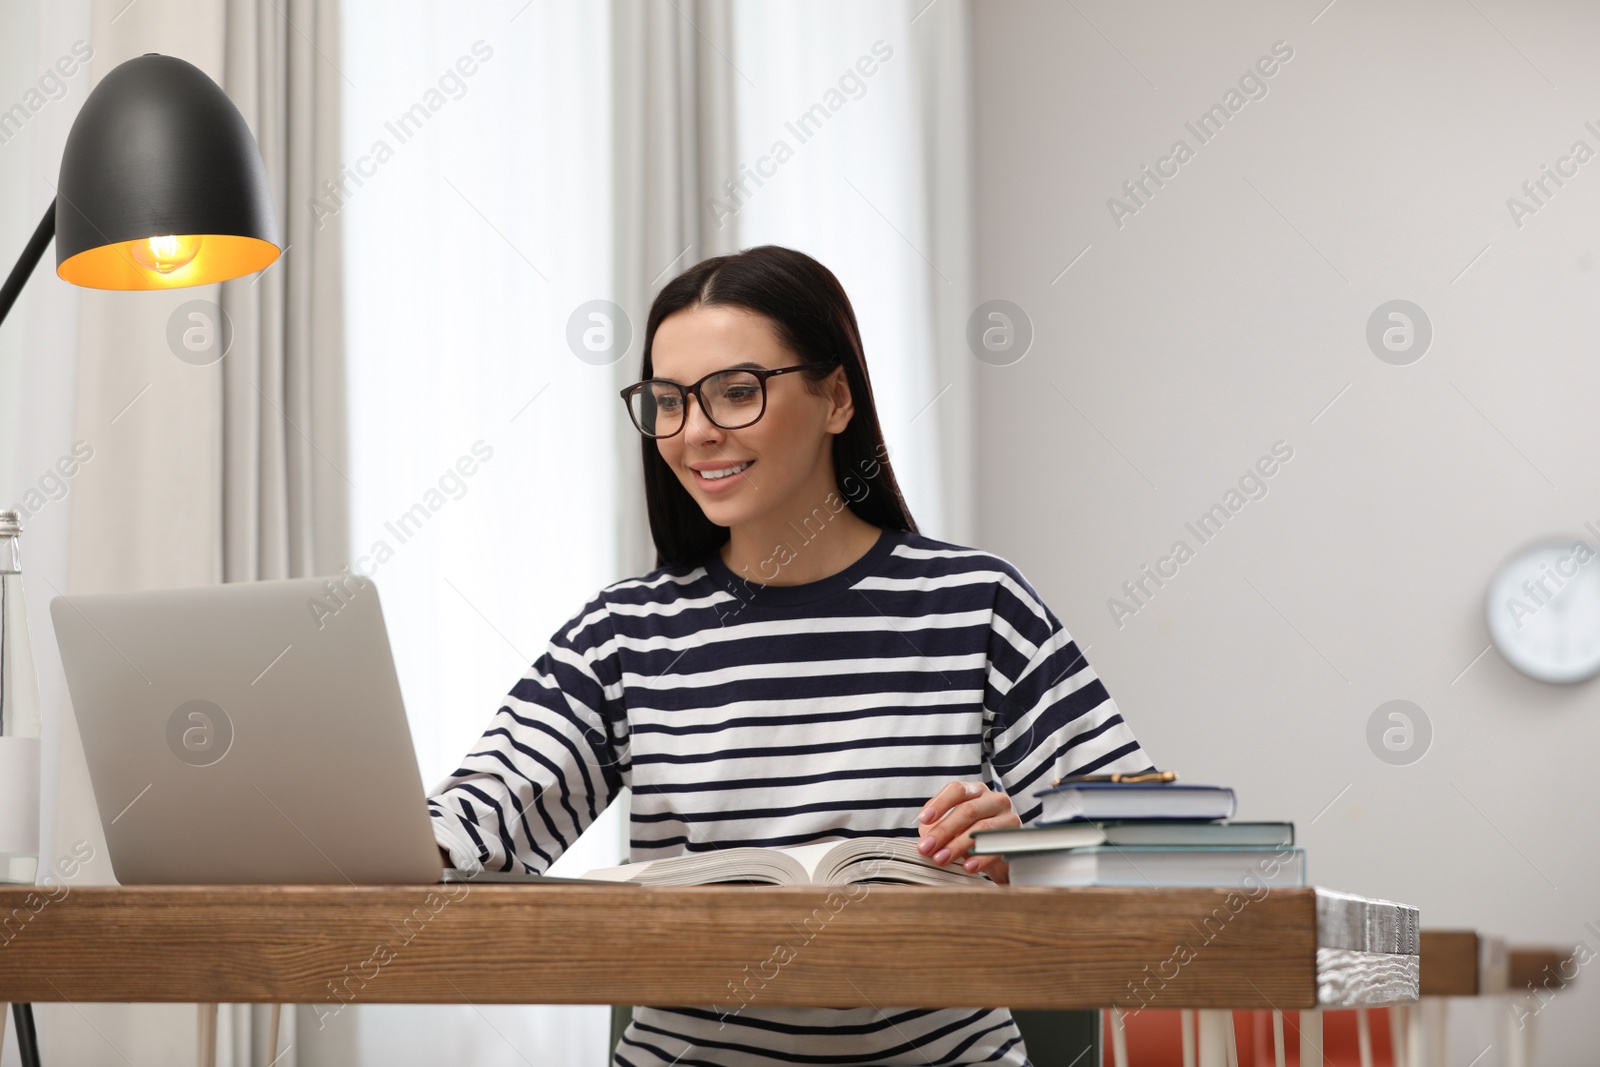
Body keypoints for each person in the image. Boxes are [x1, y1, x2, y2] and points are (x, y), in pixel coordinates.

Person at [426, 244, 1156, 1066]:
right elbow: (473, 824)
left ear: (837, 396)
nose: (695, 431)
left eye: (736, 392)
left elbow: (1140, 826)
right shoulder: (625, 633)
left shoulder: (977, 602)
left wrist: (1035, 841)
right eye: (667, 401)